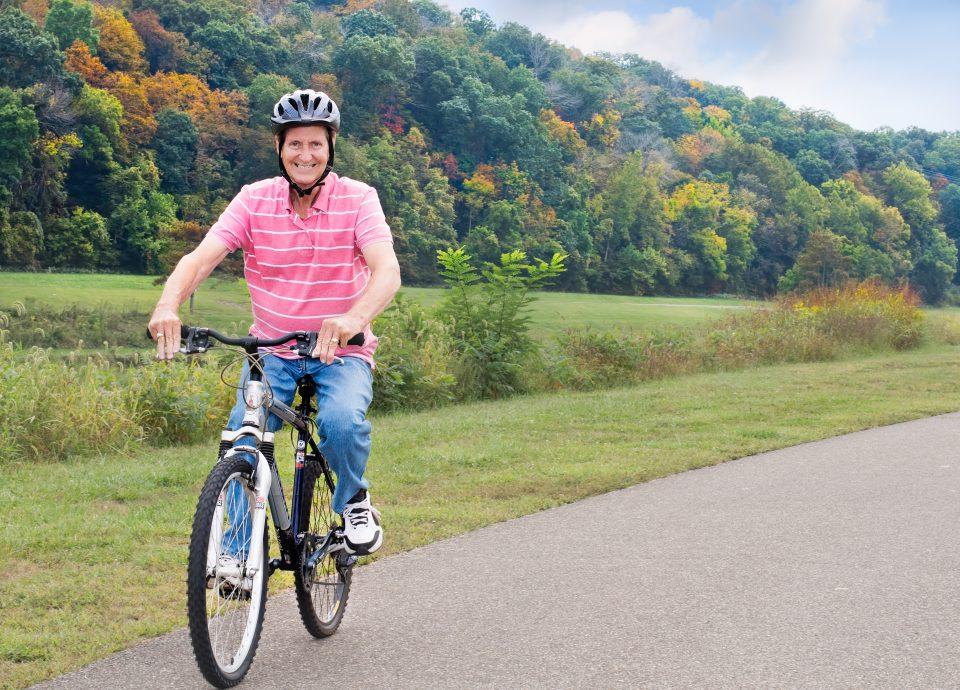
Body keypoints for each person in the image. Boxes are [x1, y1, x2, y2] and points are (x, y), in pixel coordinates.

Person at [148, 89, 401, 556]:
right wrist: (168, 304)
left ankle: (355, 499)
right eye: (294, 145)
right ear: (279, 149)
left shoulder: (359, 199)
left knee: (342, 422)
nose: (305, 155)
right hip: (273, 354)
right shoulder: (253, 201)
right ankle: (237, 554)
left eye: (316, 145)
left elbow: (387, 271)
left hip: (339, 351)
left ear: (331, 149)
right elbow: (200, 259)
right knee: (243, 445)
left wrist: (353, 317)